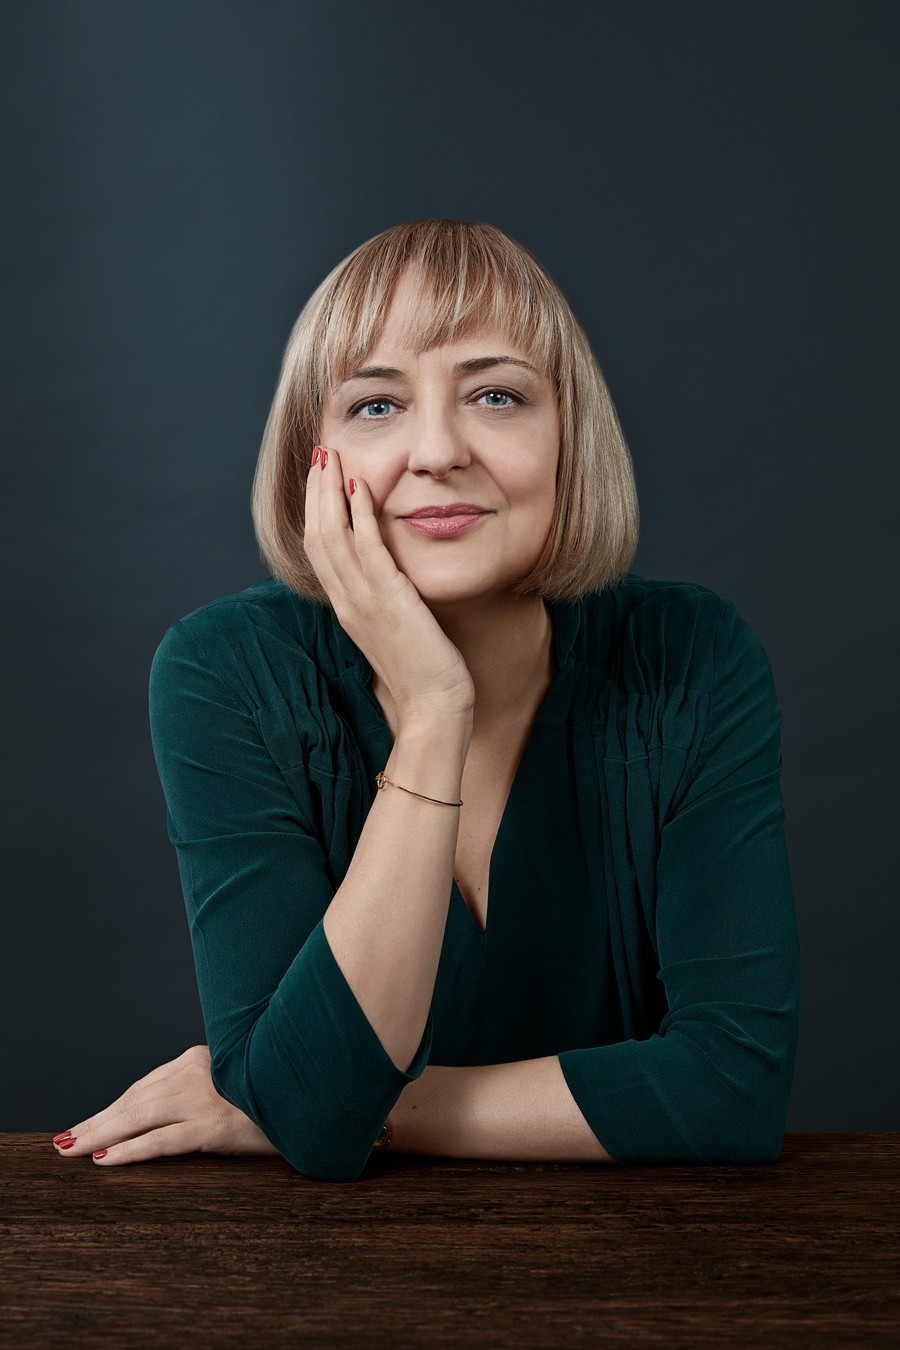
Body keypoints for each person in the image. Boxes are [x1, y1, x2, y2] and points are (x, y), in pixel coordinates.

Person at [51, 219, 800, 1182]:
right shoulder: (225, 670)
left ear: (570, 436)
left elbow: (731, 1092)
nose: (438, 450)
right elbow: (309, 1110)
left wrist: (315, 1102)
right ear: (311, 459)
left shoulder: (692, 655)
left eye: (496, 396)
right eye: (376, 405)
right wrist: (436, 711)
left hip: (646, 1256)